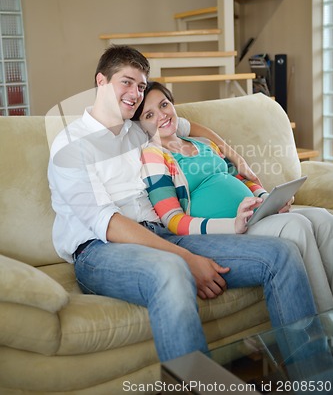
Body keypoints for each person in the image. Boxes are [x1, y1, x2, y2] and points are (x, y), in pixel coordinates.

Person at [48, 45, 318, 364]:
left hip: (165, 235)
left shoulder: (138, 126)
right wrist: (187, 257)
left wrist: (236, 158)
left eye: (141, 85)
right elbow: (108, 224)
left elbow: (191, 129)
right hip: (102, 249)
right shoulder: (70, 143)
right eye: (126, 81)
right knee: (172, 270)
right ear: (101, 82)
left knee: (281, 254)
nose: (135, 92)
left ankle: (315, 378)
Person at [135, 81, 333, 314]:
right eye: (150, 114)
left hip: (254, 214)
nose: (161, 116)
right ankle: (324, 324)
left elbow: (239, 178)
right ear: (142, 126)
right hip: (227, 230)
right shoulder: (154, 156)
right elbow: (172, 220)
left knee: (322, 218)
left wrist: (268, 198)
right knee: (296, 226)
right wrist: (233, 224)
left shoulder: (203, 143)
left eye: (164, 104)